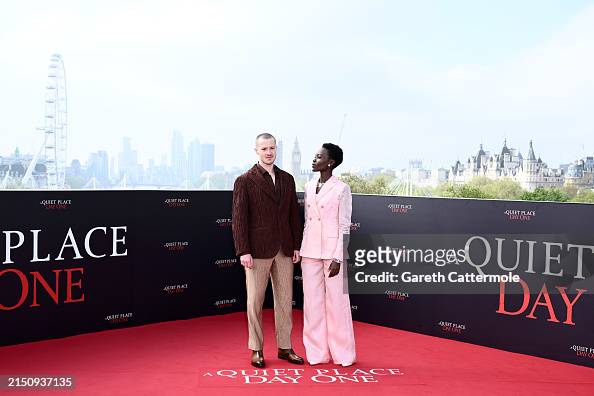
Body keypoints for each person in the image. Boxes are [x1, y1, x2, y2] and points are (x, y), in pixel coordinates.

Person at [232, 133, 304, 368]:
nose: (269, 152)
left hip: (284, 248)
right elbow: (239, 219)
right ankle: (256, 348)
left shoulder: (287, 179)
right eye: (264, 149)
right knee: (255, 301)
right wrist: (244, 250)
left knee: (285, 301)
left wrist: (296, 245)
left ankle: (285, 347)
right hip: (257, 251)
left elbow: (294, 215)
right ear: (256, 151)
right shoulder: (245, 180)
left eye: (272, 148)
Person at [299, 143, 356, 366]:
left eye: (319, 156)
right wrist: (303, 249)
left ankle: (343, 354)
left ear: (330, 162)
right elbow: (307, 222)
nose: (314, 159)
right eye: (314, 155)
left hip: (333, 254)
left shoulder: (342, 188)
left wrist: (339, 257)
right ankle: (317, 353)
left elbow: (344, 225)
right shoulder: (308, 184)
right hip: (310, 251)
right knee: (312, 305)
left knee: (337, 304)